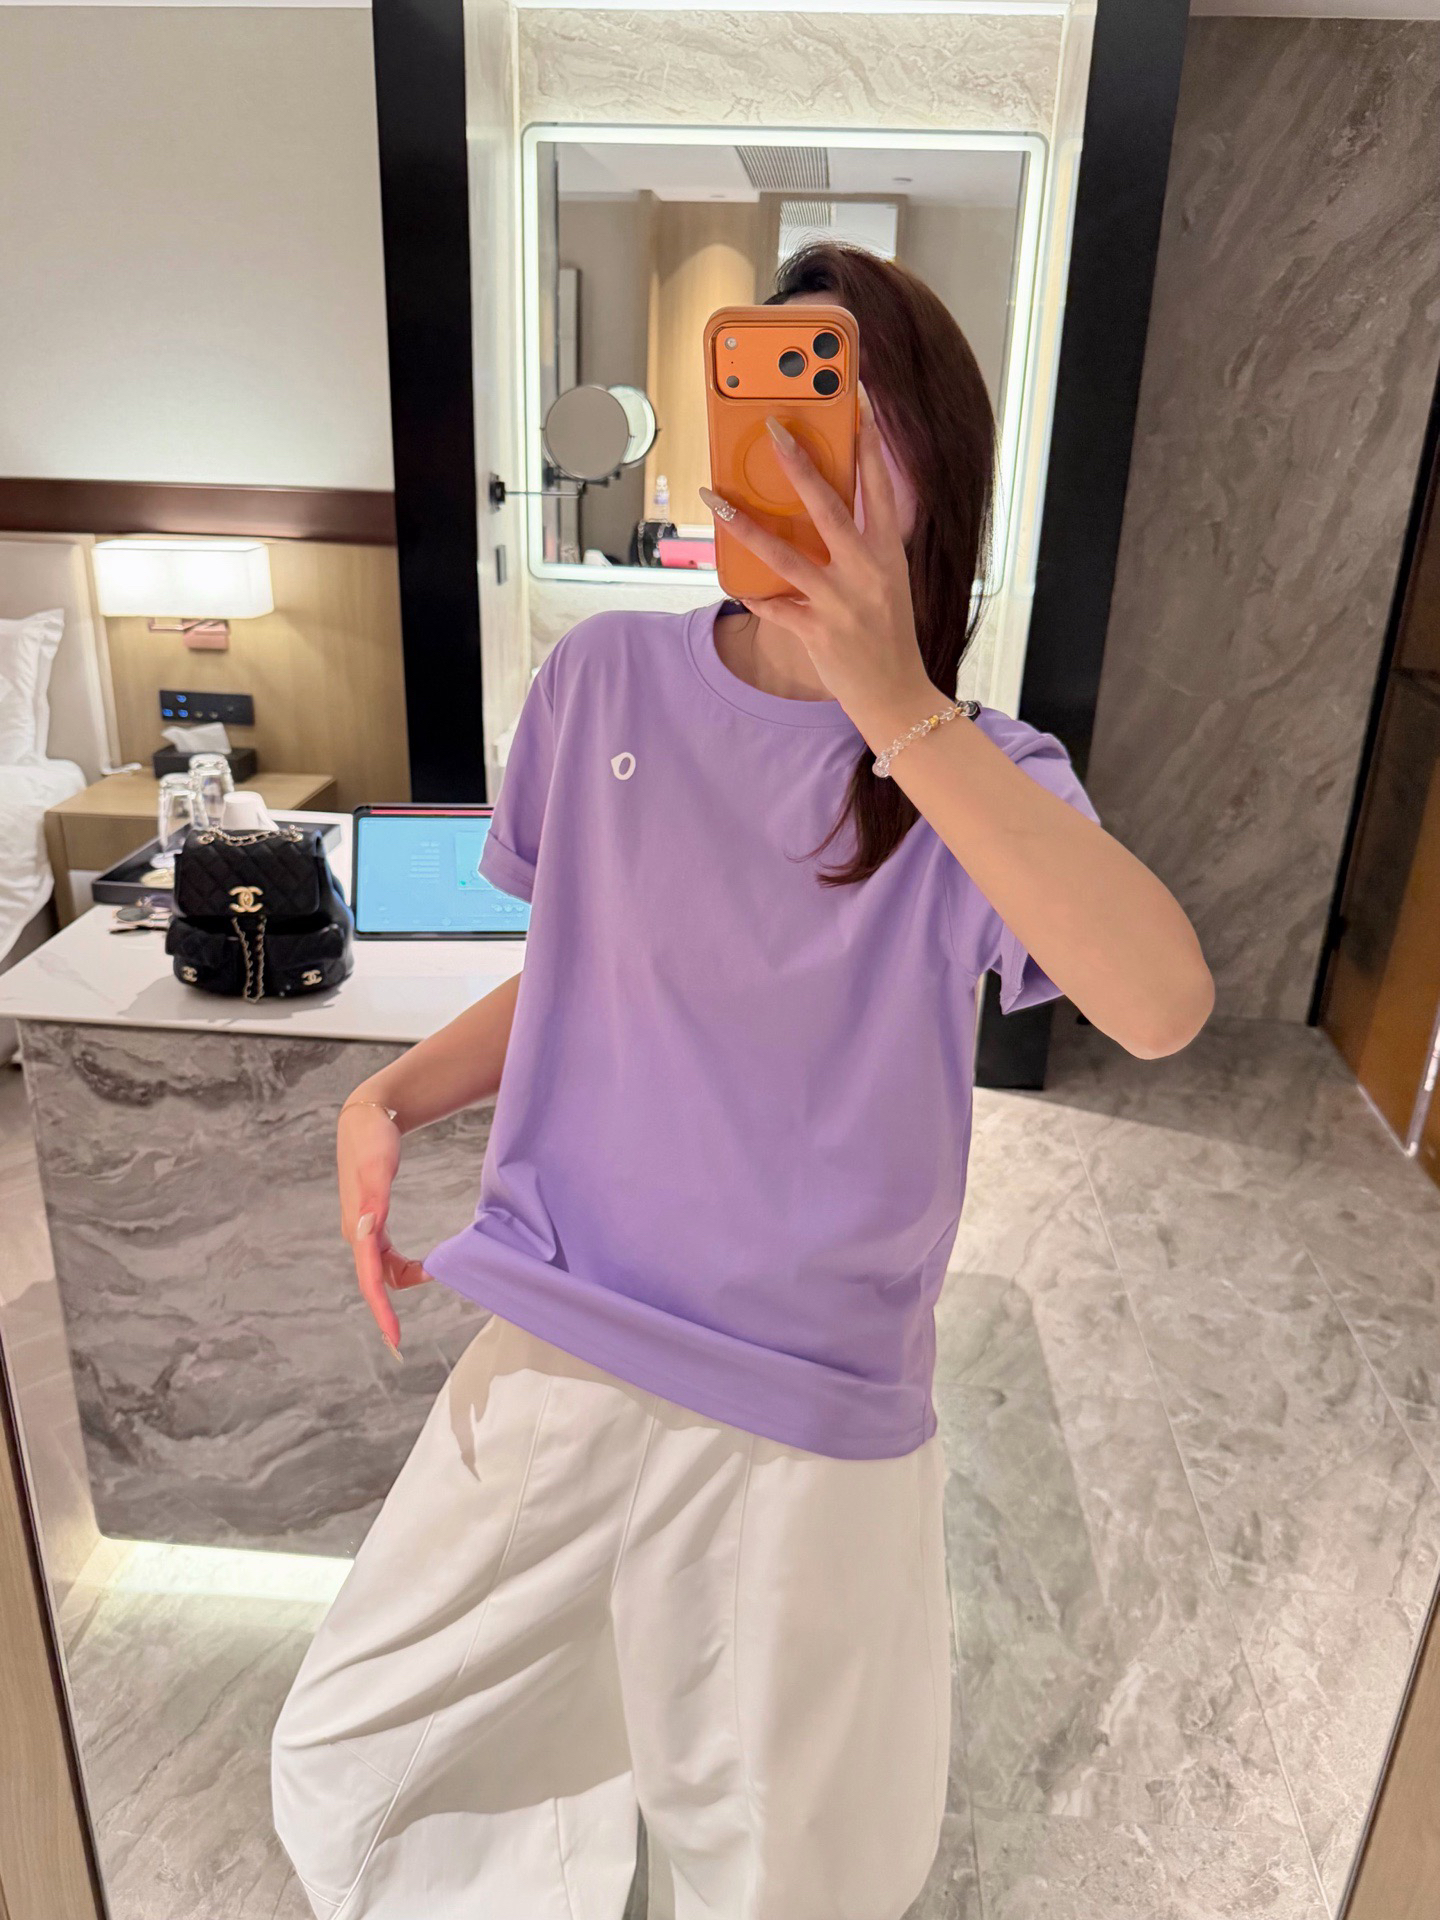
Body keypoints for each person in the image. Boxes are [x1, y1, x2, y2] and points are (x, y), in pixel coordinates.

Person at [271, 243, 1213, 1920]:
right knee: (371, 1763)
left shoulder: (983, 776)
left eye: (843, 418)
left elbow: (1160, 1007)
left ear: (932, 474)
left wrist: (895, 705)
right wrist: (391, 1096)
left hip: (808, 1395)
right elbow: (598, 964)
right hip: (566, 1324)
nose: (797, 459)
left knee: (781, 1863)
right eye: (765, 411)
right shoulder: (603, 682)